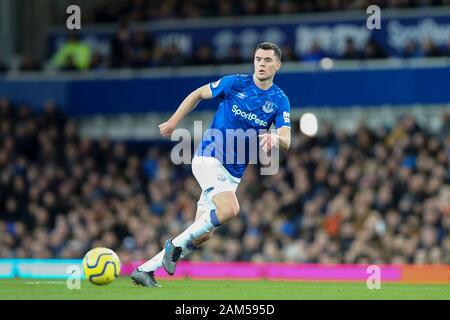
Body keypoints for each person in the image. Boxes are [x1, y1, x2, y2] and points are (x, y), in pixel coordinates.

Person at [131, 42, 292, 287]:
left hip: (233, 173)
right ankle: (172, 246)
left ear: (277, 65)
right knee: (230, 210)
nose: (261, 63)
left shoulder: (280, 100)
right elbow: (197, 94)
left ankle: (145, 270)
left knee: (203, 233)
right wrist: (174, 122)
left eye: (268, 60)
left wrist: (275, 137)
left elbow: (287, 140)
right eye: (258, 58)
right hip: (209, 157)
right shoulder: (235, 83)